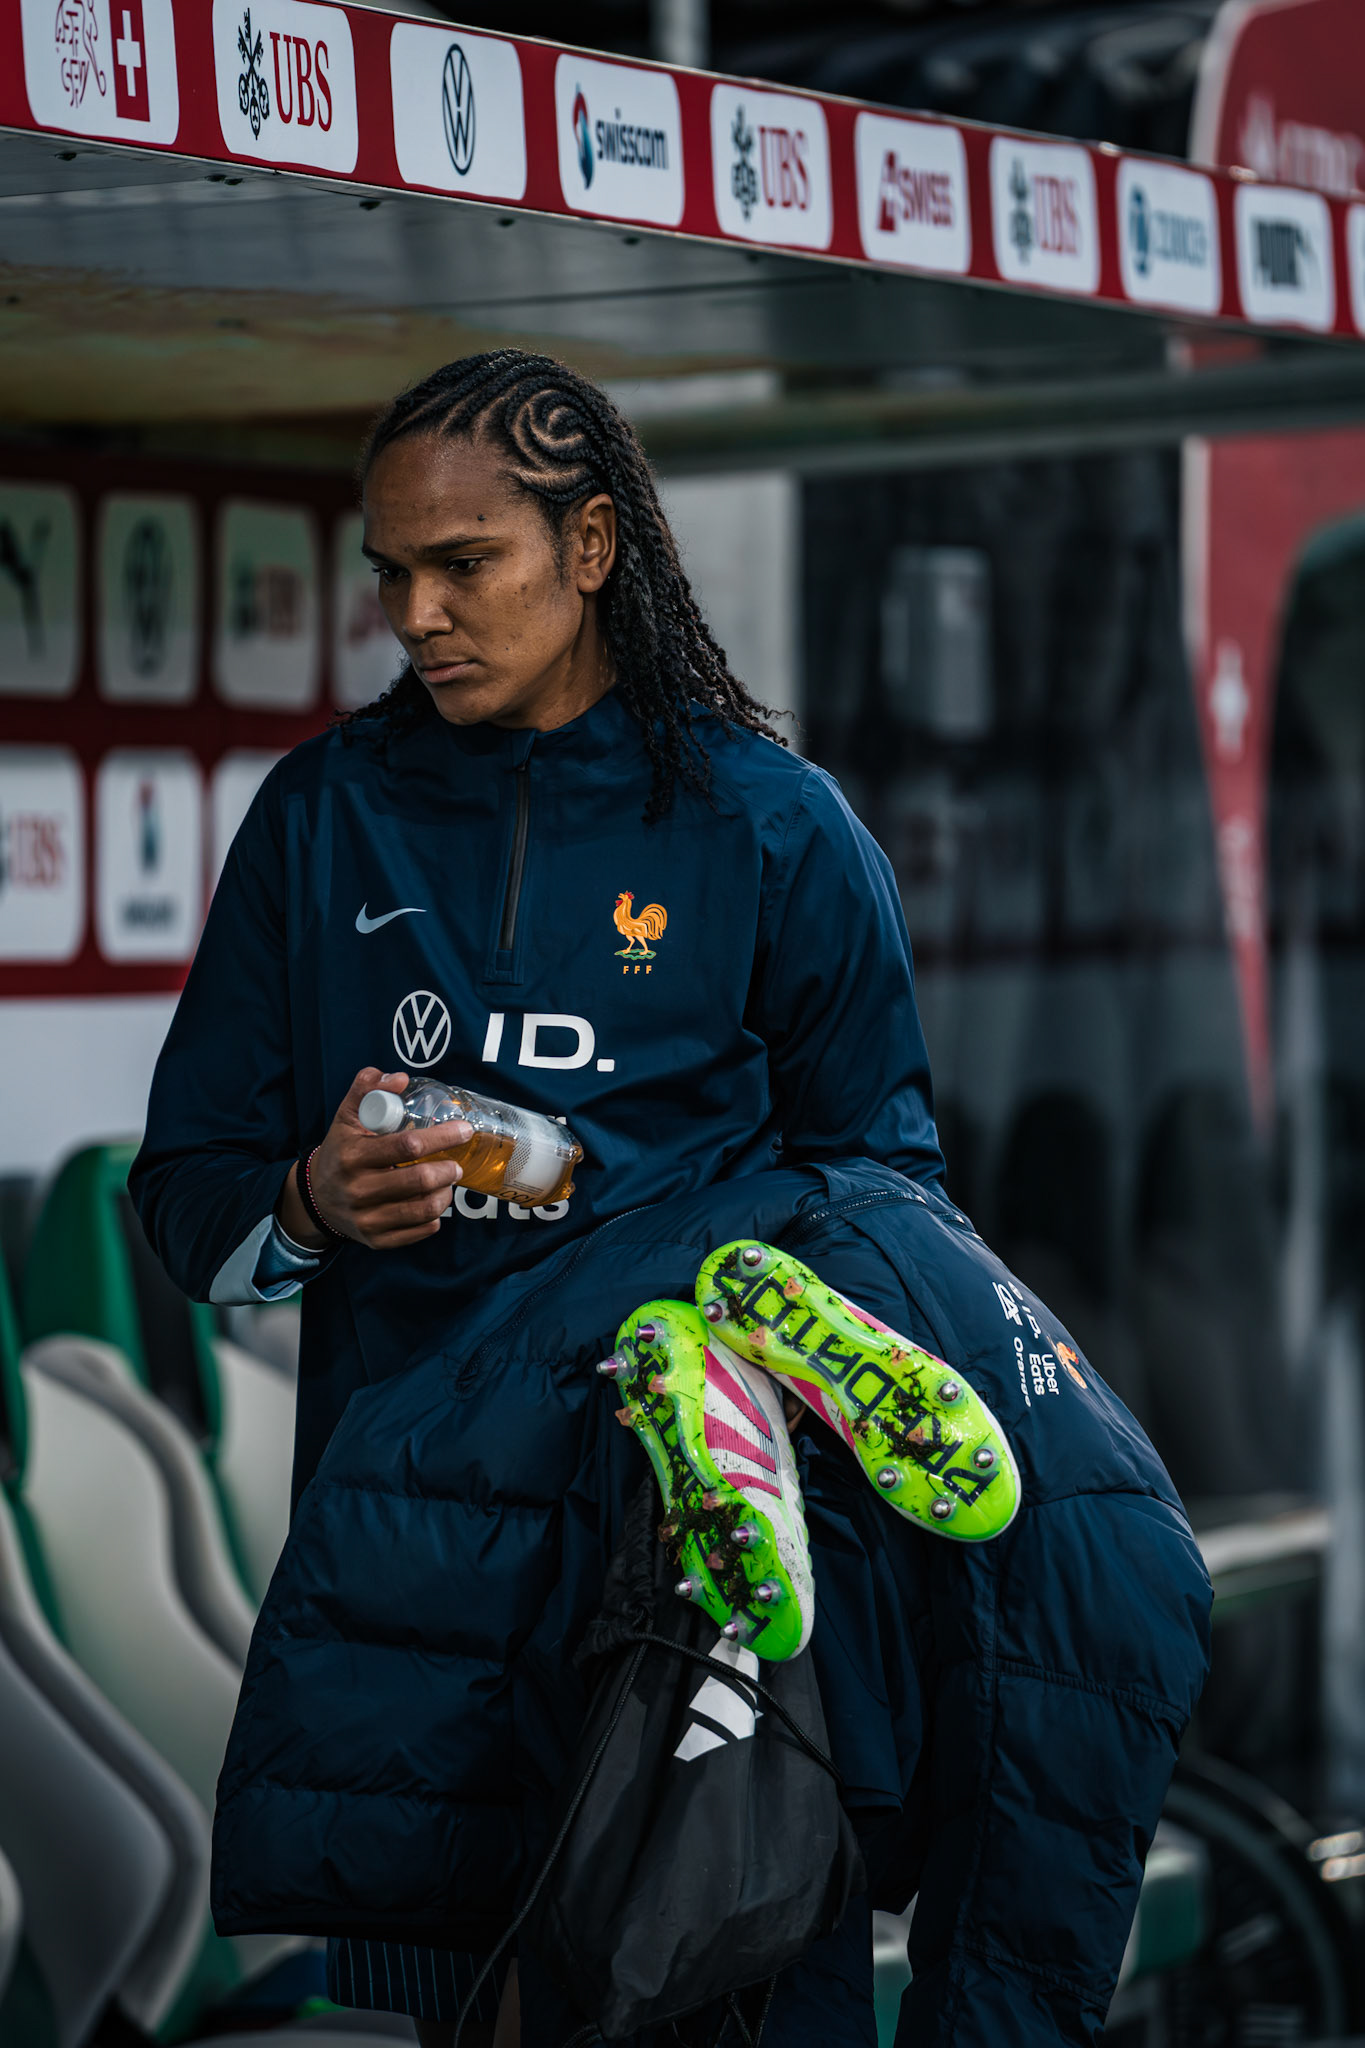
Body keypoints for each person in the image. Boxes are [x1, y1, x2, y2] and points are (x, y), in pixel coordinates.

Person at [131, 349, 954, 2044]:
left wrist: (692, 1284)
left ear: (588, 548)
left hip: (694, 1602)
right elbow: (188, 1202)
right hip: (414, 1597)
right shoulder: (323, 817)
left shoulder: (776, 828)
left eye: (463, 563)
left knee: (718, 2007)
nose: (416, 615)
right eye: (390, 572)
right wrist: (310, 1202)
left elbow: (888, 1204)